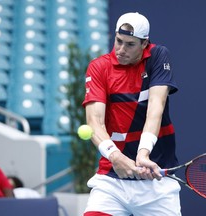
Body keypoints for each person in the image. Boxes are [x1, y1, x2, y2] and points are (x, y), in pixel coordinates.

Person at [82, 12, 181, 216]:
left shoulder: (158, 56)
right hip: (112, 182)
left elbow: (156, 107)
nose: (121, 49)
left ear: (144, 43)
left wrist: (143, 152)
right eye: (118, 41)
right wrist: (114, 156)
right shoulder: (99, 67)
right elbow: (94, 122)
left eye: (130, 44)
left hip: (157, 182)